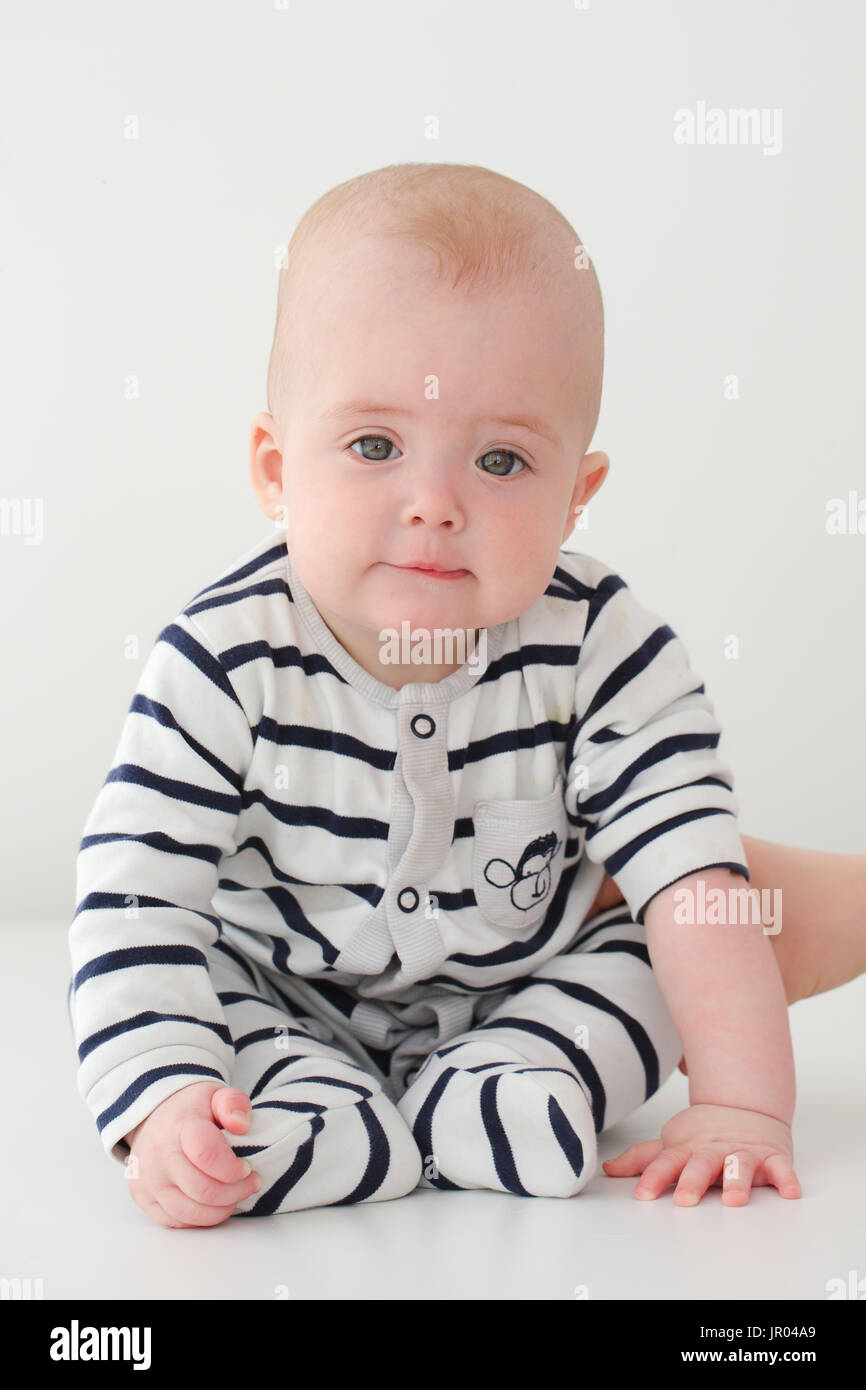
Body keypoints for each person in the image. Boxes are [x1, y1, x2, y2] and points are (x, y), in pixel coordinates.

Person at [68, 163, 865, 1228]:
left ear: (576, 494)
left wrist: (739, 1108)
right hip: (284, 987)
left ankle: (510, 1085)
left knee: (644, 953)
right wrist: (157, 1099)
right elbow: (137, 895)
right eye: (372, 445)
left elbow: (693, 884)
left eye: (499, 459)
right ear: (274, 468)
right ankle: (288, 1112)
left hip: (524, 985)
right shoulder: (222, 658)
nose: (433, 504)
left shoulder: (599, 645)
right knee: (210, 981)